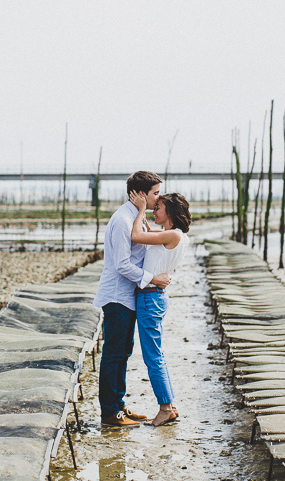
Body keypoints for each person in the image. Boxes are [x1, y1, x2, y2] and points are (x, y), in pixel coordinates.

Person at [92, 171, 171, 427]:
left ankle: (119, 407)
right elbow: (122, 265)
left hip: (128, 295)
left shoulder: (134, 217)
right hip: (117, 295)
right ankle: (109, 413)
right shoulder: (123, 220)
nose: (158, 198)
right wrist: (153, 279)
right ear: (140, 194)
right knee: (114, 353)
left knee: (123, 351)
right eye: (155, 193)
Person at [129, 190, 191, 426]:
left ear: (171, 212)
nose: (155, 211)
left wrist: (141, 208)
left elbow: (136, 236)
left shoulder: (172, 235)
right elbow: (145, 230)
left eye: (159, 207)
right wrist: (144, 213)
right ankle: (170, 405)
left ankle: (165, 408)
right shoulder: (173, 235)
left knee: (153, 356)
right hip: (154, 297)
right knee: (156, 354)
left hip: (149, 298)